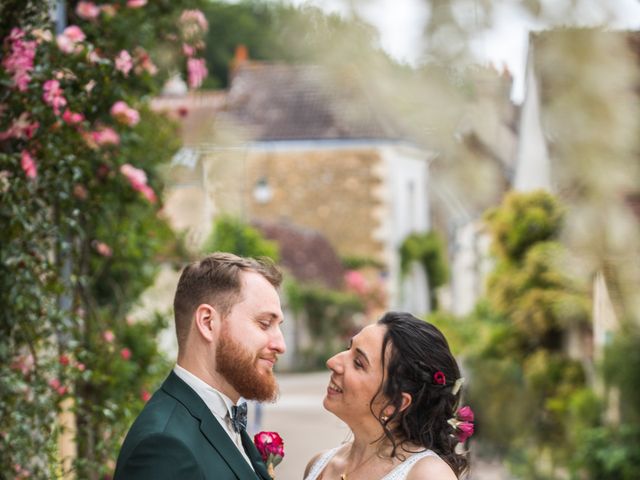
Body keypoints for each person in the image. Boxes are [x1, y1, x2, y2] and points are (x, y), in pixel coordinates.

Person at [114, 252, 286, 480]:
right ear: (207, 322)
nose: (280, 344)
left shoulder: (220, 417)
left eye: (278, 326)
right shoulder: (164, 447)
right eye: (264, 324)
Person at [304, 312, 470, 480]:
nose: (332, 362)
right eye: (348, 349)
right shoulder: (319, 465)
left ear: (395, 402)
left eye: (358, 363)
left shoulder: (428, 475)